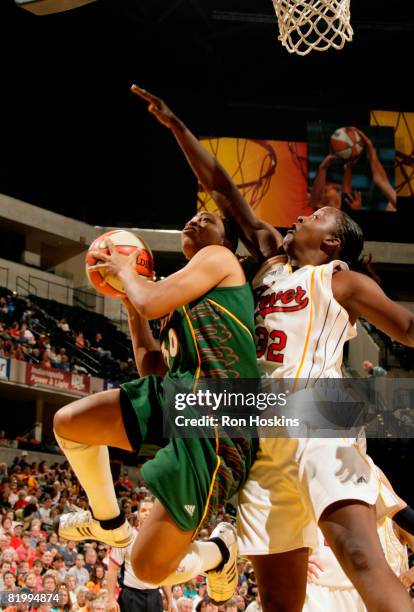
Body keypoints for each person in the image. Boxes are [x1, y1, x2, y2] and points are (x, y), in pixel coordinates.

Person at [130, 84, 414, 611]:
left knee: (359, 556)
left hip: (319, 415)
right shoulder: (267, 261)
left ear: (332, 243)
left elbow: (406, 328)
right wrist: (177, 126)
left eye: (315, 218)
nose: (301, 217)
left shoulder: (339, 278)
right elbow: (221, 187)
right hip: (258, 430)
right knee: (280, 601)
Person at [53, 191, 260, 604]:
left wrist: (130, 276)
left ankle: (220, 552)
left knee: (147, 569)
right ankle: (109, 522)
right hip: (176, 396)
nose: (197, 219)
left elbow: (150, 300)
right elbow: (151, 365)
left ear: (227, 240)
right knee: (70, 424)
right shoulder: (182, 292)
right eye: (196, 215)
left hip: (218, 419)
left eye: (209, 219)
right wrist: (130, 304)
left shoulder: (220, 259)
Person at [107, 497, 171, 612]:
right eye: (143, 510)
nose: (147, 514)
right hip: (131, 596)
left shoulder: (163, 539)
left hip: (155, 595)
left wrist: (170, 599)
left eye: (151, 511)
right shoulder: (126, 536)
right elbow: (112, 569)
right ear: (137, 515)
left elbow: (164, 573)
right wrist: (111, 599)